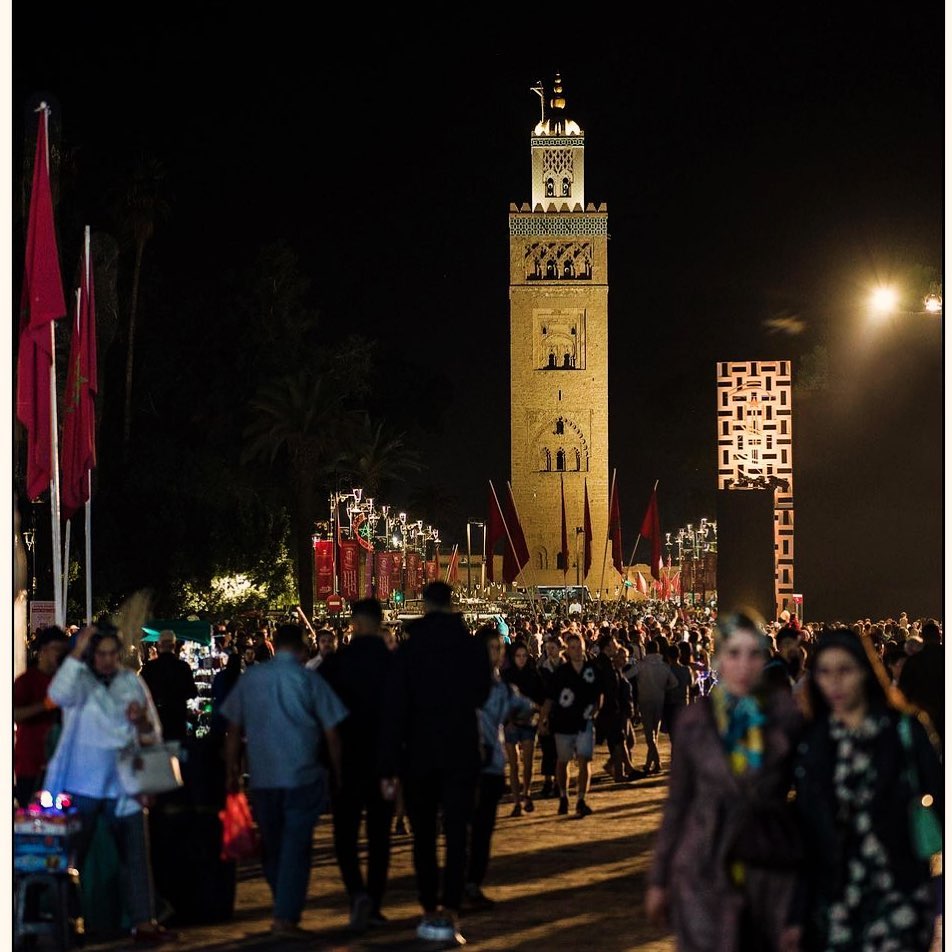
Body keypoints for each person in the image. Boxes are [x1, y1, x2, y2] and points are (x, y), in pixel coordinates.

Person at [646, 610, 803, 951]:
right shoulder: (695, 720)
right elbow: (678, 803)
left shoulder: (784, 716)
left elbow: (808, 794)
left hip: (767, 865)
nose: (743, 664)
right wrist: (659, 878)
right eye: (733, 653)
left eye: (753, 653)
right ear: (717, 658)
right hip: (704, 864)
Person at [790, 627, 943, 951]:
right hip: (833, 902)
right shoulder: (813, 740)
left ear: (865, 671)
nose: (835, 682)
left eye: (845, 670)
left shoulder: (902, 729)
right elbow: (805, 828)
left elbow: (940, 799)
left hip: (897, 895)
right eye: (825, 672)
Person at [43, 620, 174, 944]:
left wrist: (140, 720)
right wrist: (77, 651)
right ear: (90, 655)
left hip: (124, 784)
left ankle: (144, 922)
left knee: (136, 857)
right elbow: (56, 694)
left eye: (112, 653)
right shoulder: (79, 682)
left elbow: (152, 733)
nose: (107, 659)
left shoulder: (131, 683)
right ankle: (65, 921)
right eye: (100, 653)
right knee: (70, 858)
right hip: (80, 784)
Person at [379, 581, 494, 946]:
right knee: (458, 832)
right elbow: (482, 694)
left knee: (424, 835)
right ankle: (451, 909)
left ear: (425, 606)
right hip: (460, 749)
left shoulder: (409, 651)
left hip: (419, 754)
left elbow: (394, 709)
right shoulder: (470, 647)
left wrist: (389, 764)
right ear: (451, 603)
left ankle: (429, 908)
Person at [221, 623, 347, 939]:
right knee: (295, 847)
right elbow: (333, 732)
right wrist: (338, 772)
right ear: (304, 648)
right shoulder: (308, 679)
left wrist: (231, 774)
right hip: (302, 774)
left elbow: (233, 730)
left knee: (273, 845)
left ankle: (283, 906)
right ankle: (285, 916)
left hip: (263, 777)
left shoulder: (251, 679)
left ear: (274, 646)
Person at [317, 598, 395, 932]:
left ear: (355, 624)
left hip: (346, 761)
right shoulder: (393, 664)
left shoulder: (336, 664)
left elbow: (322, 718)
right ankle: (373, 902)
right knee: (380, 837)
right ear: (378, 624)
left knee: (345, 835)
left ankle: (357, 894)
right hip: (383, 761)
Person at [465, 625, 535, 909]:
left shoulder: (501, 686)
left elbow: (526, 708)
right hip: (468, 765)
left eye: (501, 648)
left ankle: (471, 884)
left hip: (491, 766)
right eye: (495, 648)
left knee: (482, 831)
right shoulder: (473, 685)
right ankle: (463, 885)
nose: (500, 653)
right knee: (467, 830)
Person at [538, 631, 603, 817]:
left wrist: (594, 712)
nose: (575, 651)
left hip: (584, 722)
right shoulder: (561, 673)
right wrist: (544, 720)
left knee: (584, 761)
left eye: (578, 647)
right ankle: (564, 796)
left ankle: (581, 799)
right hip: (563, 721)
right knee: (563, 761)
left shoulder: (592, 669)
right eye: (572, 648)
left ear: (583, 648)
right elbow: (550, 698)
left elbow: (599, 695)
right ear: (567, 649)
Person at [14, 625, 70, 807]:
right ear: (43, 651)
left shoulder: (67, 681)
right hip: (31, 766)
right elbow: (15, 714)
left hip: (62, 764)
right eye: (56, 649)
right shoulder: (26, 681)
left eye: (64, 650)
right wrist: (45, 705)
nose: (60, 655)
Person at [501, 639, 544, 816]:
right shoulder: (506, 676)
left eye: (524, 656)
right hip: (510, 722)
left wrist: (539, 717)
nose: (521, 659)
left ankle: (526, 793)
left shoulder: (533, 675)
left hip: (528, 722)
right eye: (518, 656)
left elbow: (543, 699)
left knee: (527, 762)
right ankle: (517, 800)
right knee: (513, 764)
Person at [139, 629, 198, 742]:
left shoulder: (149, 668)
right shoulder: (183, 667)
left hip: (156, 716)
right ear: (174, 645)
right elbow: (192, 692)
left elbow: (140, 691)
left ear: (159, 645)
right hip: (177, 717)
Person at [633, 638, 677, 774]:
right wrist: (663, 688)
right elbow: (674, 683)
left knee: (649, 735)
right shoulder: (664, 666)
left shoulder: (641, 665)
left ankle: (656, 763)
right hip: (660, 700)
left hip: (645, 700)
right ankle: (650, 763)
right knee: (654, 734)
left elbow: (627, 675)